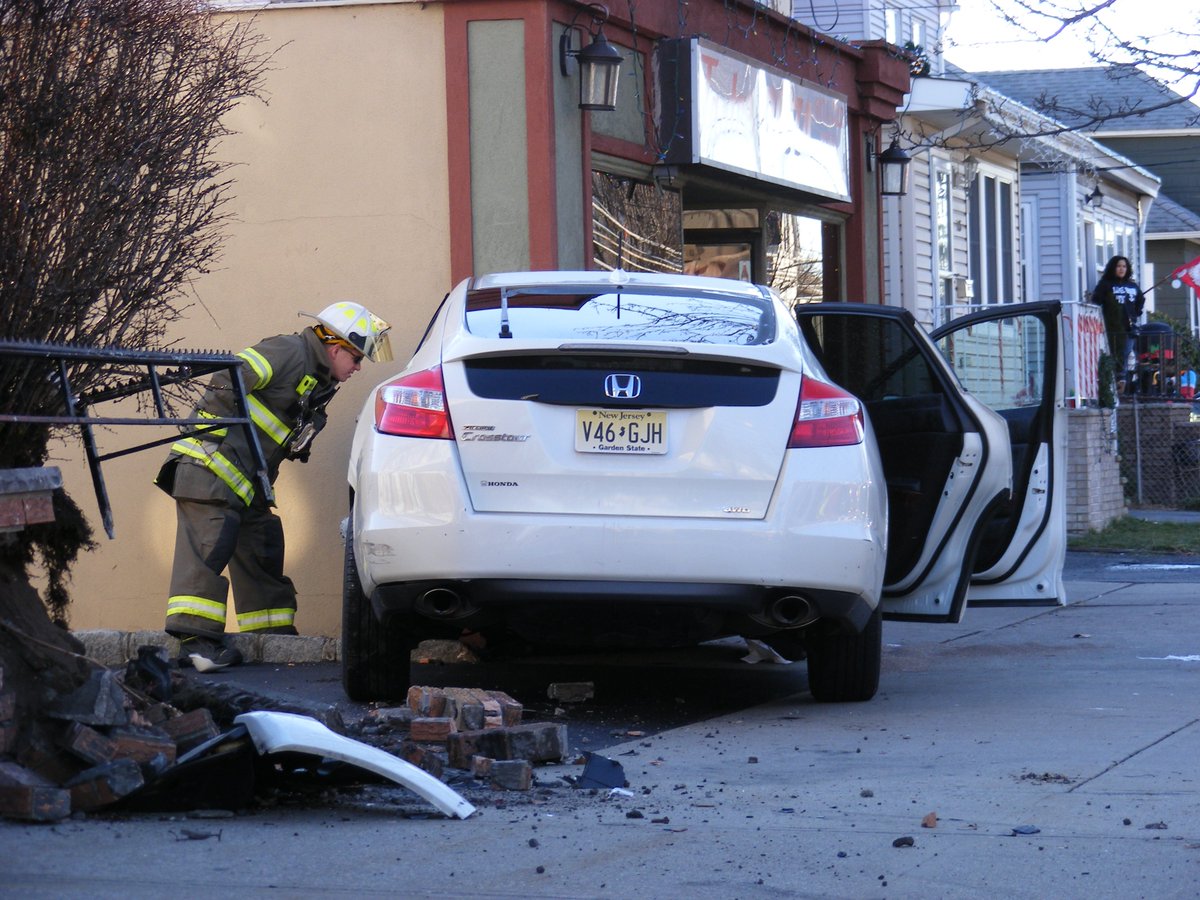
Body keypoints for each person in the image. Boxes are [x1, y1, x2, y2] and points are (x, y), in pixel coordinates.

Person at [155, 302, 392, 670]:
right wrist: (214, 445)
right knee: (208, 548)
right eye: (356, 358)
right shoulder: (289, 351)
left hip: (245, 483)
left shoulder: (317, 380)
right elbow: (230, 377)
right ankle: (196, 644)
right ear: (335, 348)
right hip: (210, 467)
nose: (358, 368)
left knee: (262, 545)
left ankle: (273, 640)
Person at [1091, 255, 1146, 384]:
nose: (1121, 269)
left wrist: (1135, 313)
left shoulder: (1132, 286)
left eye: (1124, 266)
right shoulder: (1106, 284)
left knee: (1125, 355)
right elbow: (1096, 301)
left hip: (1129, 328)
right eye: (1118, 266)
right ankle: (1114, 381)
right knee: (1114, 355)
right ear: (1113, 268)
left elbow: (1140, 300)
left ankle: (1122, 380)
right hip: (1111, 328)